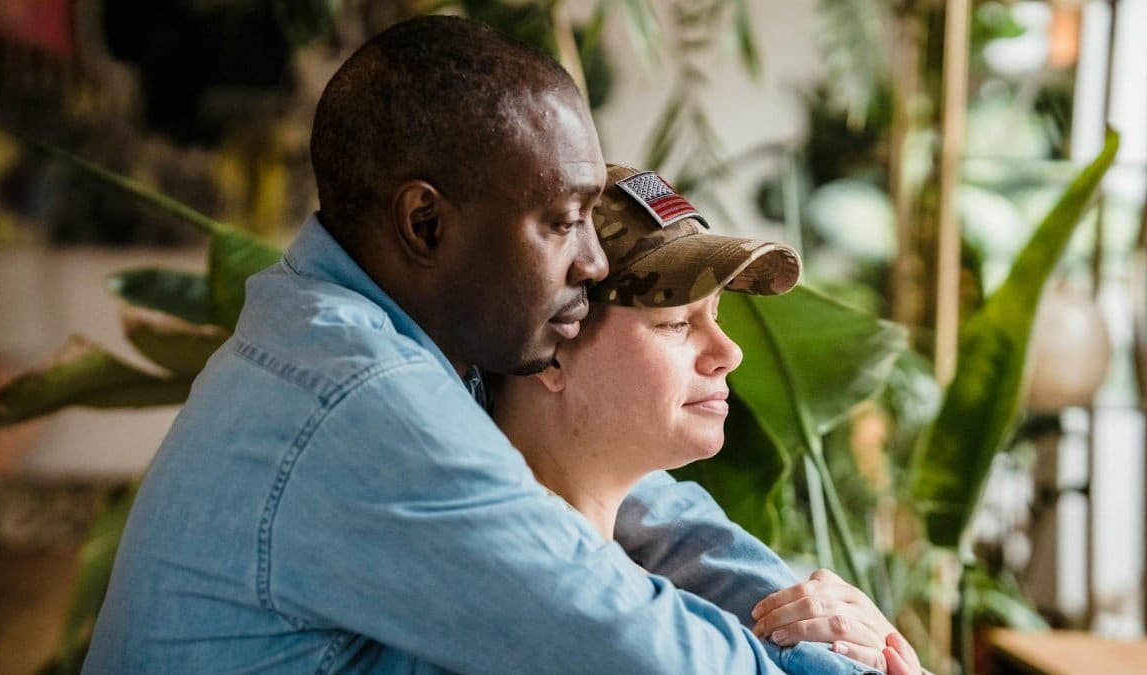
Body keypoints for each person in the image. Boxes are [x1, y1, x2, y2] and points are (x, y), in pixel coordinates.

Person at [84, 15, 894, 674]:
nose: (593, 262)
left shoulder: (411, 342)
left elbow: (651, 512)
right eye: (561, 221)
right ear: (426, 223)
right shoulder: (365, 398)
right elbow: (622, 636)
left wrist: (828, 625)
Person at [492, 164, 923, 675]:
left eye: (715, 315)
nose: (729, 353)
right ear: (551, 349)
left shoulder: (651, 552)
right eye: (675, 323)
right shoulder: (538, 604)